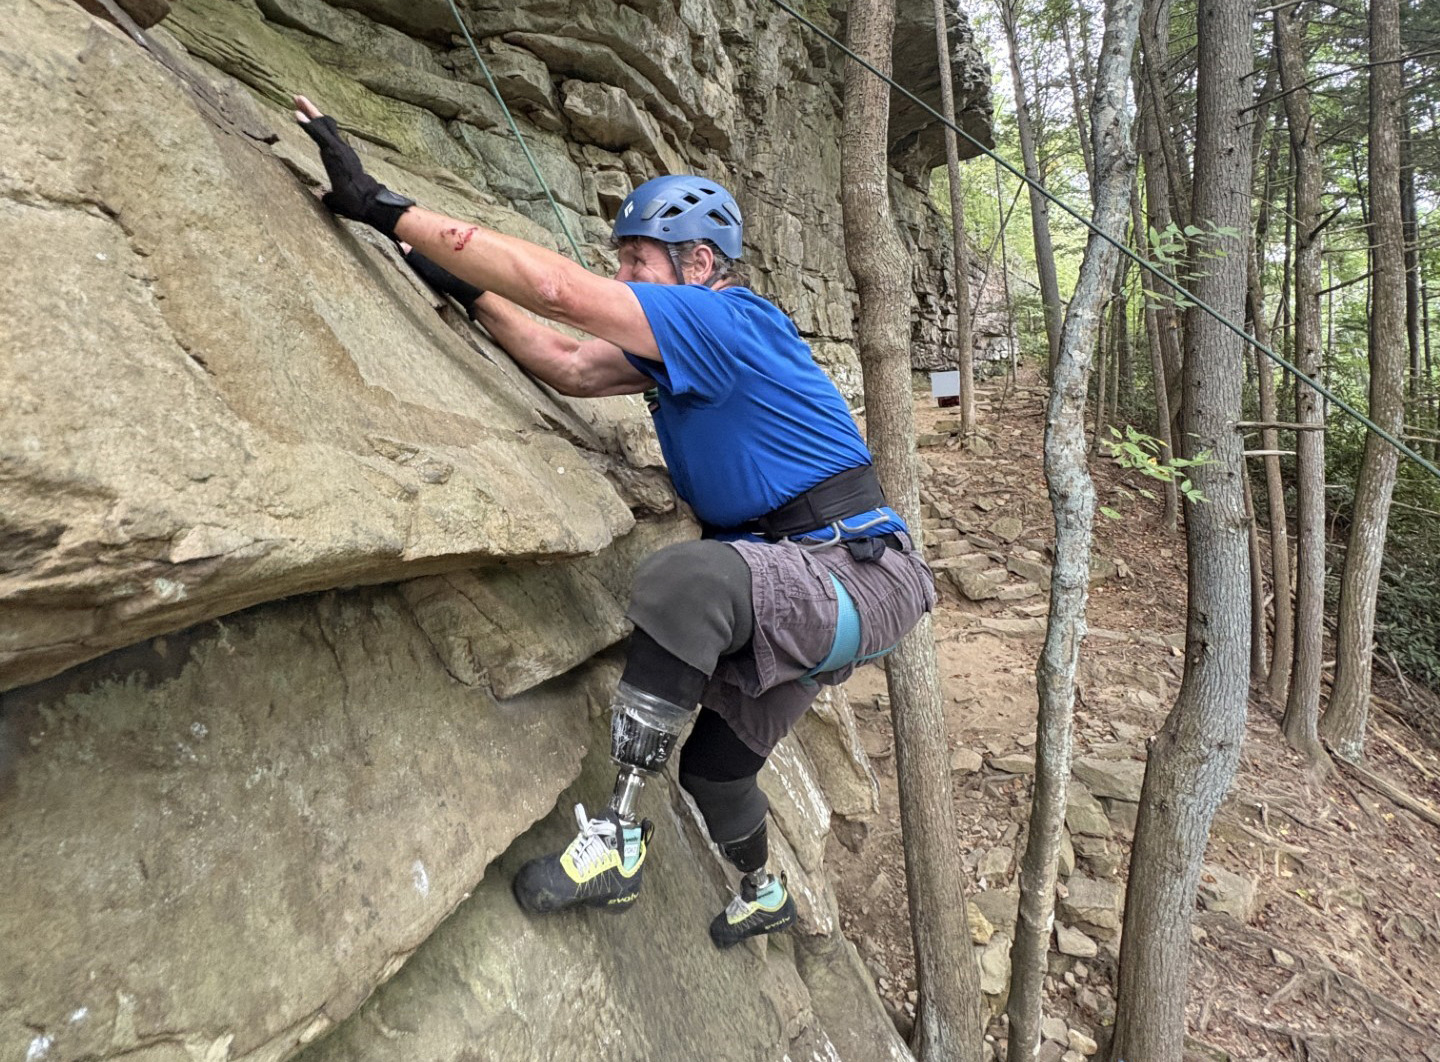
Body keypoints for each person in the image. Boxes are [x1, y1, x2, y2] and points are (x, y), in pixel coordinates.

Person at [292, 95, 936, 948]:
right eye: (623, 258)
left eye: (639, 260)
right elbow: (562, 358)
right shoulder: (679, 355)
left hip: (854, 570)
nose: (625, 277)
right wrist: (453, 277)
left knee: (683, 580)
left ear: (700, 263)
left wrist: (383, 206)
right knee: (716, 771)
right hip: (814, 581)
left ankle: (621, 843)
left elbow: (562, 293)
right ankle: (764, 891)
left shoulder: (728, 320)